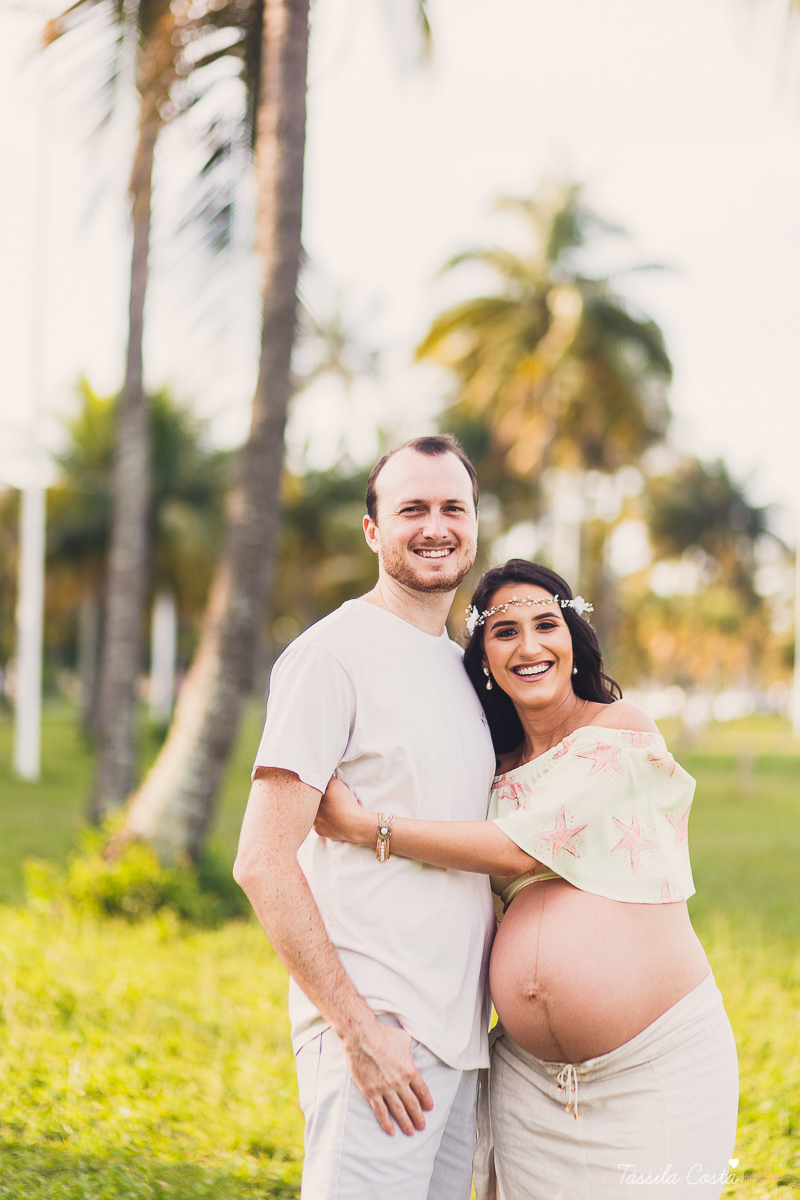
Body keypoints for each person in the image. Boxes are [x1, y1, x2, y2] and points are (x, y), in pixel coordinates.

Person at [314, 559, 740, 1200]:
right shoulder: (487, 768)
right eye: (505, 632)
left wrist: (367, 827)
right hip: (527, 1080)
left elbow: (521, 851)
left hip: (654, 1066)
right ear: (484, 656)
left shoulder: (621, 732)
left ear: (573, 639)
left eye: (547, 624)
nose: (530, 645)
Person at [233, 436, 498, 1200]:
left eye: (453, 507)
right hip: (379, 1029)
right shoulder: (333, 655)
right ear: (373, 530)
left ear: (475, 523)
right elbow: (261, 859)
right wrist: (356, 1027)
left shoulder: (461, 667)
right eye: (411, 508)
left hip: (458, 1037)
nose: (435, 525)